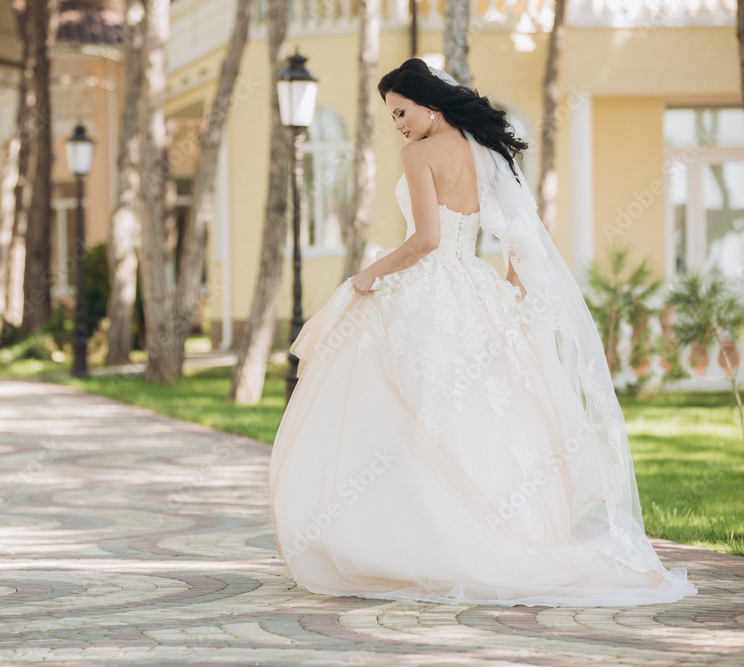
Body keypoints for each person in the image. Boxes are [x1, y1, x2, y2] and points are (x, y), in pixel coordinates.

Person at [268, 58, 697, 607]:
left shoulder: (418, 154)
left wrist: (366, 276)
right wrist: (513, 290)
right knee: (478, 417)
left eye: (401, 111)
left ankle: (413, 541)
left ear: (430, 105)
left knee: (409, 415)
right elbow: (519, 235)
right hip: (475, 287)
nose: (397, 123)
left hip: (428, 287)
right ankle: (494, 534)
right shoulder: (488, 156)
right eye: (392, 116)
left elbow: (424, 240)